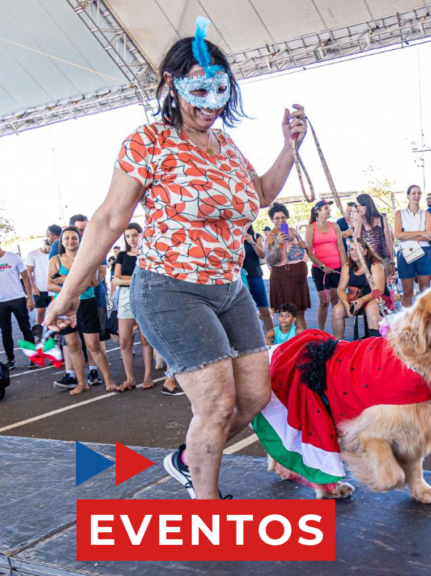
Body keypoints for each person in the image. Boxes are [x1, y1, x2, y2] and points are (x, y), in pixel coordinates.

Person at [44, 19, 308, 499]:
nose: (211, 104)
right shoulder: (148, 141)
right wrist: (66, 293)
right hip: (170, 287)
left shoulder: (226, 145)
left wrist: (290, 147)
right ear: (172, 84)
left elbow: (262, 194)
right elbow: (107, 220)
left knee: (253, 397)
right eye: (199, 91)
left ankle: (187, 460)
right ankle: (207, 505)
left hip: (229, 288)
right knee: (218, 403)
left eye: (220, 92)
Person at [47, 227, 114, 393]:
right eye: (67, 238)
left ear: (79, 240)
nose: (70, 241)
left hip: (86, 304)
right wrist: (74, 283)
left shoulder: (88, 258)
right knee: (73, 346)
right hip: (64, 306)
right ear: (61, 241)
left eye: (74, 238)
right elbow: (49, 285)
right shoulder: (55, 259)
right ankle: (82, 384)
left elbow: (91, 283)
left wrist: (62, 280)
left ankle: (109, 381)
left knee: (93, 345)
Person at [112, 223, 152, 391]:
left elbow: (149, 277)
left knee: (145, 339)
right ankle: (130, 379)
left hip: (145, 296)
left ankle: (148, 376)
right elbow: (116, 279)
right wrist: (136, 278)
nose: (132, 239)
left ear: (141, 235)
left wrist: (125, 279)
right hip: (125, 298)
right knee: (124, 341)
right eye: (128, 236)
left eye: (134, 235)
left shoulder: (147, 253)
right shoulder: (121, 255)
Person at [265, 202, 311, 331]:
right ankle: (289, 345)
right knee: (286, 314)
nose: (281, 220)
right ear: (272, 220)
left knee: (300, 312)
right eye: (277, 218)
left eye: (283, 217)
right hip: (282, 278)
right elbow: (270, 260)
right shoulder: (271, 236)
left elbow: (303, 251)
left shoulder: (293, 231)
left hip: (299, 279)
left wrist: (304, 245)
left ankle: (304, 343)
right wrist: (278, 243)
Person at [305, 200, 346, 336]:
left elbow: (341, 247)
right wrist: (323, 266)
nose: (329, 210)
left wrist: (345, 267)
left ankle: (337, 334)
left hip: (337, 268)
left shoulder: (334, 226)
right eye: (326, 208)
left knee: (335, 299)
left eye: (329, 208)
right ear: (318, 210)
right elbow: (309, 251)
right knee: (325, 301)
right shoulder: (311, 228)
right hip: (319, 269)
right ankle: (320, 332)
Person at [338, 238, 390, 338]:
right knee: (337, 310)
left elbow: (380, 290)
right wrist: (345, 302)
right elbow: (340, 289)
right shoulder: (347, 266)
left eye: (357, 249)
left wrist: (362, 300)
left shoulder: (375, 265)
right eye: (351, 249)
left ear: (365, 251)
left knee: (371, 307)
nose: (354, 252)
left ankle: (374, 343)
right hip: (356, 298)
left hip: (378, 297)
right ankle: (338, 343)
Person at [395, 185, 431, 308]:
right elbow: (398, 235)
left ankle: (425, 322)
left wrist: (407, 235)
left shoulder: (426, 214)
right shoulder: (399, 214)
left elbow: (430, 236)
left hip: (424, 252)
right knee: (407, 293)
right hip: (405, 252)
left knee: (425, 292)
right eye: (413, 193)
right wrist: (421, 232)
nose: (416, 195)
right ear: (408, 195)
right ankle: (406, 323)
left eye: (418, 193)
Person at [0, 242, 35, 370]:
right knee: (5, 332)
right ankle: (10, 360)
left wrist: (30, 297)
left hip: (18, 299)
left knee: (26, 329)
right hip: (1, 303)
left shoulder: (13, 257)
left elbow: (25, 277)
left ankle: (33, 359)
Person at [352, 193, 394, 279]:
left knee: (382, 288)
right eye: (357, 206)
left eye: (360, 205)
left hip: (383, 260)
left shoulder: (381, 219)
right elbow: (356, 242)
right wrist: (359, 222)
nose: (358, 208)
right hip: (366, 261)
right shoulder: (357, 221)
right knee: (369, 288)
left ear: (367, 205)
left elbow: (389, 242)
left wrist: (392, 262)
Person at [26, 225, 61, 326]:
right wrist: (33, 287)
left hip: (54, 289)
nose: (51, 248)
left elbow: (57, 271)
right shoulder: (33, 254)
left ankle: (55, 334)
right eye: (49, 245)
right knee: (40, 311)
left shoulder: (58, 255)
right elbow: (29, 272)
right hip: (40, 289)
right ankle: (39, 333)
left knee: (55, 312)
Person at [242, 225, 273, 333]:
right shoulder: (233, 237)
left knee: (264, 309)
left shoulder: (256, 236)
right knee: (245, 311)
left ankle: (273, 337)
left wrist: (252, 242)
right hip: (239, 278)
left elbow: (262, 255)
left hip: (255, 276)